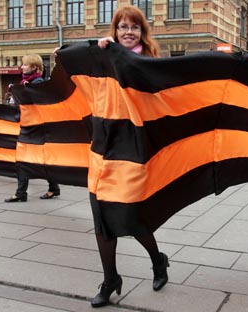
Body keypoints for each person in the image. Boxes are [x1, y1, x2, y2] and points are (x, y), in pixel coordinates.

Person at [92, 6, 169, 308]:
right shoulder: (103, 54)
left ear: (142, 32)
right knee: (102, 218)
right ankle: (110, 278)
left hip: (133, 147)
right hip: (102, 145)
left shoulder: (148, 62)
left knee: (130, 216)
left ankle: (157, 260)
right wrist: (74, 53)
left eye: (134, 28)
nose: (128, 32)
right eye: (122, 26)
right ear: (115, 30)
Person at [4, 54, 61, 203]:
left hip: (36, 128)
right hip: (28, 126)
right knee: (34, 159)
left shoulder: (38, 83)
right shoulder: (26, 82)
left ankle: (22, 193)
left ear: (34, 67)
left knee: (26, 159)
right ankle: (51, 188)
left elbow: (37, 105)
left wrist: (20, 93)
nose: (22, 67)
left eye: (25, 65)